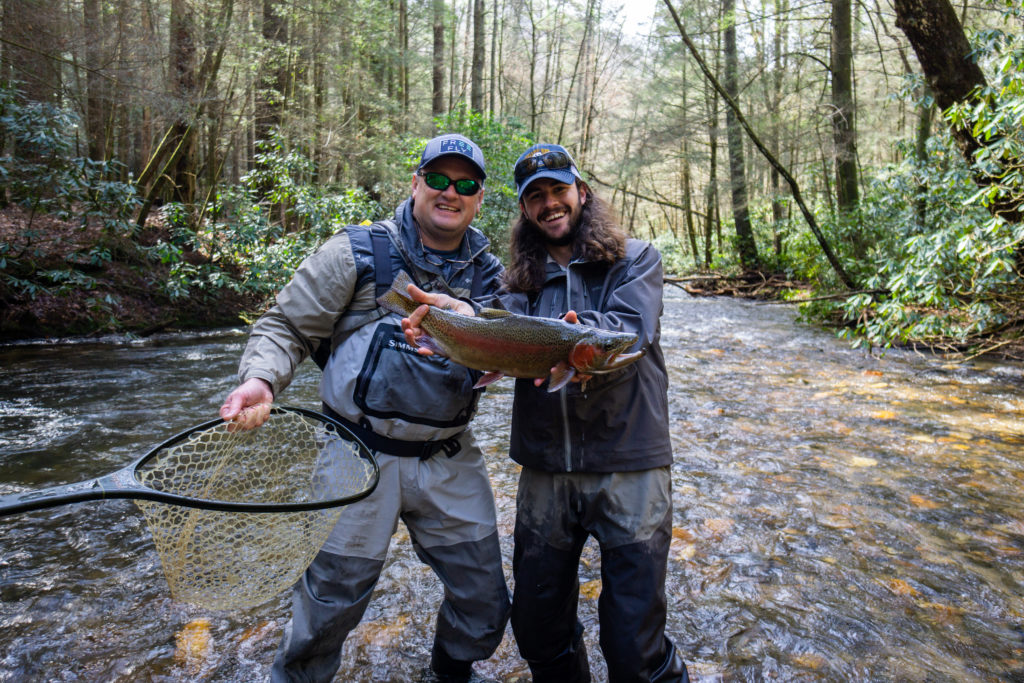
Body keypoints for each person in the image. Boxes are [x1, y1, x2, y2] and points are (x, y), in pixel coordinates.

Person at [219, 133, 510, 683]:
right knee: (330, 602)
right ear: (416, 182)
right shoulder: (356, 250)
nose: (451, 192)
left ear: (478, 198)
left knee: (485, 599)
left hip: (449, 457)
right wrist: (260, 380)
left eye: (466, 184)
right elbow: (285, 327)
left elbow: (517, 335)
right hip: (356, 455)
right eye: (440, 180)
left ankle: (449, 673)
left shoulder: (492, 274)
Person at [402, 143, 689, 682]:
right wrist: (455, 326)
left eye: (559, 190)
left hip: (630, 464)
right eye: (537, 196)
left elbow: (631, 333)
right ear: (525, 210)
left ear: (581, 193)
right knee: (537, 628)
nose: (550, 203)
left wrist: (578, 336)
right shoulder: (518, 281)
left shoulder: (636, 258)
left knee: (632, 643)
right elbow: (491, 331)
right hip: (544, 471)